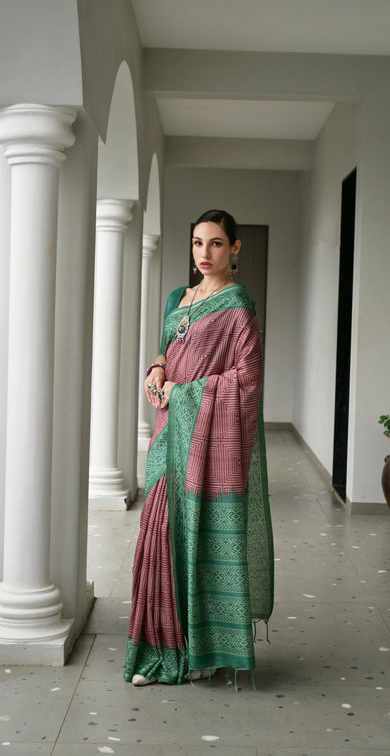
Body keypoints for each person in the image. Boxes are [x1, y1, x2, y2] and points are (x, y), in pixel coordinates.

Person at [124, 209, 274, 687]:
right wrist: (156, 369)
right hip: (170, 430)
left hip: (208, 439)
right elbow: (166, 348)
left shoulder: (238, 309)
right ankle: (159, 646)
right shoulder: (178, 297)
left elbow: (247, 380)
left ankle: (202, 651)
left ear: (235, 248)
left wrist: (186, 393)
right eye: (196, 244)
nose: (204, 254)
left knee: (200, 535)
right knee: (159, 529)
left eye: (214, 244)